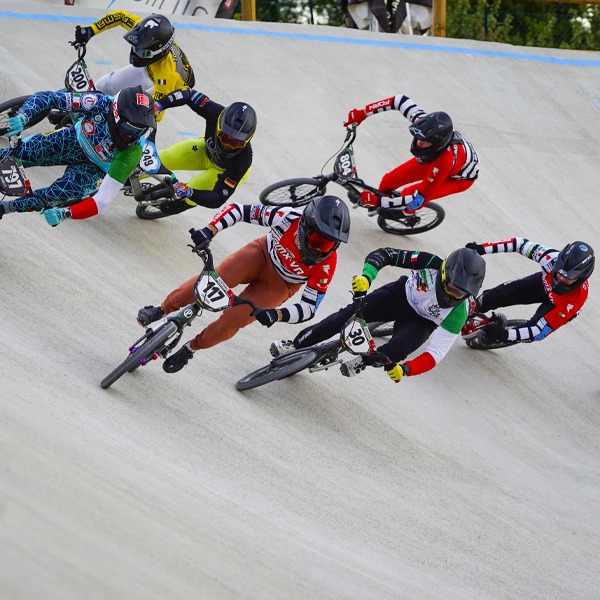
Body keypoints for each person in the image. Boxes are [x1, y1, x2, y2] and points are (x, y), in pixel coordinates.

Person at [137, 195, 351, 373]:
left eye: (329, 244)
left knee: (235, 319)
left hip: (281, 285)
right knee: (214, 280)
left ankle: (191, 348)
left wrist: (277, 314)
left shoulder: (327, 263)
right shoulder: (287, 217)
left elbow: (309, 308)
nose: (320, 250)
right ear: (305, 225)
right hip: (260, 254)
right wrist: (210, 230)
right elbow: (239, 210)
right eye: (317, 240)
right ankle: (161, 308)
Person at [271, 246, 486, 383]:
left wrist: (407, 370)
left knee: (396, 351)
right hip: (399, 296)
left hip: (422, 322)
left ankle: (363, 362)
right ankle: (296, 344)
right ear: (444, 272)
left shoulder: (460, 311)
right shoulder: (429, 263)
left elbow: (436, 353)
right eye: (453, 287)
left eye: (462, 292)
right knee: (344, 317)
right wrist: (367, 276)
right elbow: (385, 255)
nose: (455, 294)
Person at [0, 86, 155, 223]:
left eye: (140, 131)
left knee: (59, 192)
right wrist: (24, 116)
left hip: (93, 169)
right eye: (130, 129)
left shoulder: (133, 151)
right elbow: (49, 97)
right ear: (115, 113)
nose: (132, 136)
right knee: (20, 153)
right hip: (72, 140)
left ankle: (5, 208)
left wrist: (67, 213)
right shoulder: (99, 103)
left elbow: (102, 200)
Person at [343, 94, 479, 214]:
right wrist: (362, 113)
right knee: (388, 181)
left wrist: (378, 202)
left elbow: (419, 198)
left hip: (459, 179)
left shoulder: (444, 162)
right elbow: (399, 100)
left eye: (425, 141)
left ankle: (407, 215)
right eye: (418, 137)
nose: (419, 142)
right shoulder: (424, 124)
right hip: (438, 158)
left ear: (437, 143)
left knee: (411, 199)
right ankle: (383, 202)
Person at [464, 238, 594, 344]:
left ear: (581, 278)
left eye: (566, 278)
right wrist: (482, 248)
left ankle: (504, 334)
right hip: (542, 285)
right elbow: (518, 244)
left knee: (532, 329)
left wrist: (503, 335)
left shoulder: (575, 301)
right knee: (494, 296)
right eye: (558, 271)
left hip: (557, 306)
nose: (560, 278)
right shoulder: (551, 258)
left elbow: (538, 332)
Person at [72, 11, 194, 123]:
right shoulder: (145, 32)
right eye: (135, 47)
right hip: (150, 65)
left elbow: (156, 115)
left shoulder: (166, 77)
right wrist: (91, 30)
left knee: (125, 105)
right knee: (106, 85)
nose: (135, 54)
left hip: (163, 82)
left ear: (158, 53)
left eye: (141, 52)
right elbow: (119, 16)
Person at [149, 88, 257, 214]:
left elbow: (217, 198)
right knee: (161, 158)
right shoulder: (215, 113)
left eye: (234, 143)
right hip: (205, 150)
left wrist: (190, 193)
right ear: (219, 126)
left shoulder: (242, 162)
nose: (227, 146)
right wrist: (160, 105)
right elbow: (188, 94)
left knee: (194, 187)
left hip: (222, 171)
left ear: (247, 140)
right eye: (224, 137)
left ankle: (182, 205)